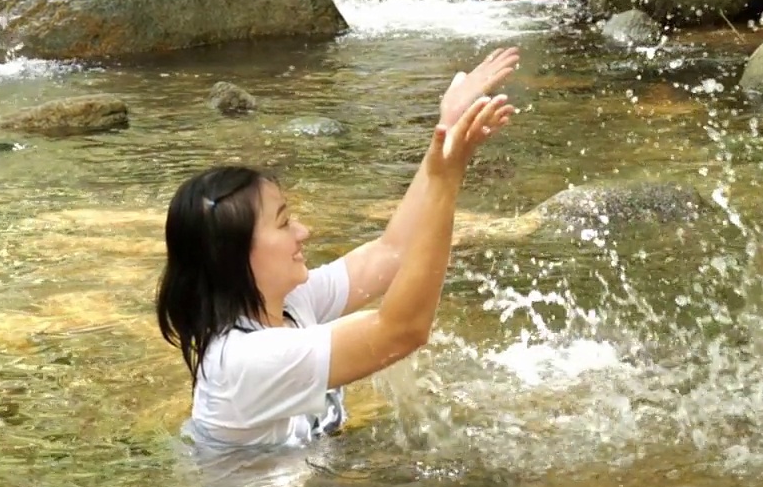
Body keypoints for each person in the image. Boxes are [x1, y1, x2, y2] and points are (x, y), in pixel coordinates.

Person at [155, 47, 521, 450]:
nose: (303, 232)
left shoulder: (289, 303)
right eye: (283, 223)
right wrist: (446, 180)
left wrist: (445, 134)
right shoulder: (243, 360)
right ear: (235, 256)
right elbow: (402, 331)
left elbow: (392, 252)